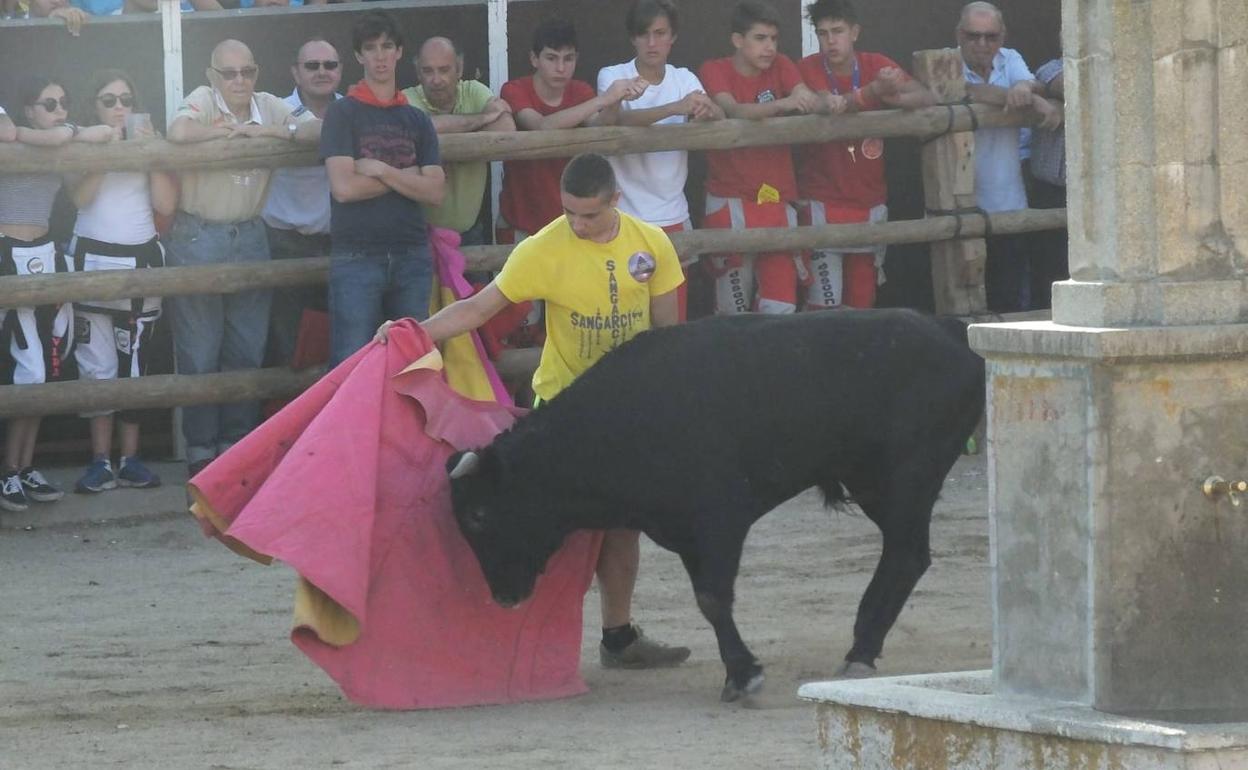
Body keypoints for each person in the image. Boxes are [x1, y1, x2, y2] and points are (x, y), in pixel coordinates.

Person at [376, 153, 691, 670]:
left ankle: (618, 636)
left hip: (629, 413)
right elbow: (478, 309)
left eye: (589, 214)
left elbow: (666, 338)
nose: (577, 223)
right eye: (569, 212)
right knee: (545, 524)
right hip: (562, 408)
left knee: (621, 527)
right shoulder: (543, 247)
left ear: (615, 200)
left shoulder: (652, 244)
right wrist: (415, 332)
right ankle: (527, 641)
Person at [166, 39, 321, 477]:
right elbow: (177, 132)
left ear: (256, 73)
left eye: (247, 72)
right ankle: (201, 451)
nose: (239, 81)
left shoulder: (269, 106)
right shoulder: (201, 99)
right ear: (212, 77)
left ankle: (234, 448)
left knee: (246, 349)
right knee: (200, 352)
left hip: (251, 235)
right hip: (199, 235)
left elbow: (320, 130)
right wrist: (229, 133)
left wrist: (267, 131)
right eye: (229, 73)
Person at [0, 76, 113, 512]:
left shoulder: (62, 141)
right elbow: (8, 134)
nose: (59, 110)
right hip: (8, 253)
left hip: (43, 255)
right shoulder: (13, 128)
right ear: (28, 109)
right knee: (25, 369)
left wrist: (72, 135)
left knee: (43, 370)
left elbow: (102, 136)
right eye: (49, 104)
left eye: (64, 103)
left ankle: (22, 467)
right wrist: (62, 135)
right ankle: (10, 470)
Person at [66, 69, 178, 493]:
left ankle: (130, 459)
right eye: (108, 100)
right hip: (90, 259)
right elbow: (80, 197)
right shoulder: (78, 141)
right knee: (96, 366)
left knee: (136, 365)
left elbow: (166, 203)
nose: (118, 108)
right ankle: (99, 461)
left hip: (141, 259)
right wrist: (107, 149)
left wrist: (146, 151)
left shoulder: (149, 142)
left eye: (125, 100)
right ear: (93, 106)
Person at [321, 11, 444, 367]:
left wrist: (380, 170)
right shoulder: (342, 114)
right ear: (358, 56)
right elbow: (344, 187)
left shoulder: (417, 119)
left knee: (412, 364)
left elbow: (436, 192)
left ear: (400, 52)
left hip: (412, 255)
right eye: (371, 48)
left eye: (387, 46)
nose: (380, 56)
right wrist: (410, 177)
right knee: (351, 364)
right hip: (357, 257)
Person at [795, 0, 935, 310]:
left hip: (870, 203)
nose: (830, 41)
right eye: (823, 33)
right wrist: (872, 92)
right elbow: (829, 105)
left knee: (863, 305)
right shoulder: (807, 67)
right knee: (824, 308)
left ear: (855, 32)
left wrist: (893, 95)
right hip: (822, 203)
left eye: (838, 31)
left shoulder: (875, 63)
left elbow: (926, 95)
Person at [596, 0, 724, 320]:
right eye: (644, 34)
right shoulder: (614, 76)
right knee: (627, 323)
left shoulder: (684, 78)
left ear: (673, 37)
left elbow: (714, 115)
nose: (652, 43)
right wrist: (674, 108)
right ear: (632, 39)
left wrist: (707, 112)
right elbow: (611, 122)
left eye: (659, 33)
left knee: (673, 324)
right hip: (624, 219)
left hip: (673, 217)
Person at [698, 0, 827, 316]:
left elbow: (806, 97)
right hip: (730, 201)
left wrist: (818, 100)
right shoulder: (714, 69)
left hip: (778, 201)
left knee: (780, 308)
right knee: (733, 313)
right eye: (760, 38)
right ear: (737, 40)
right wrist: (785, 104)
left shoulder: (782, 64)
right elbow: (736, 111)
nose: (769, 47)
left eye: (773, 38)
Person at [957, 1, 1060, 312]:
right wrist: (1021, 98)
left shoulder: (1009, 59)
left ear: (1002, 37)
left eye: (990, 37)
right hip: (960, 203)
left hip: (1008, 199)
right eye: (974, 36)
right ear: (959, 35)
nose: (982, 44)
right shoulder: (945, 63)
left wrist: (1027, 89)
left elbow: (1033, 83)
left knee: (1010, 297)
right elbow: (961, 91)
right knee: (964, 300)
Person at [261, 37, 342, 367]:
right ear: (296, 73)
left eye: (330, 65)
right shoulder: (273, 110)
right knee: (287, 348)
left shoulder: (352, 108)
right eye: (312, 65)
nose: (321, 71)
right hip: (282, 243)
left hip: (339, 243)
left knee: (338, 345)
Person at [401, 36, 516, 247]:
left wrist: (437, 138)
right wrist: (482, 119)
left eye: (444, 70)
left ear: (459, 69)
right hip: (421, 237)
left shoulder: (474, 90)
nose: (436, 79)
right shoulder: (405, 98)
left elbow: (506, 129)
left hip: (471, 232)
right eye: (428, 71)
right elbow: (421, 129)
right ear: (418, 73)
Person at [1027, 55, 1067, 310]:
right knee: (1048, 271)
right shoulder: (1051, 68)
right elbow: (1071, 84)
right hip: (1050, 192)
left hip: (1093, 197)